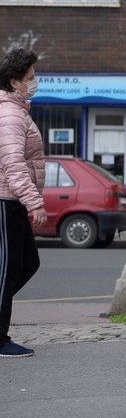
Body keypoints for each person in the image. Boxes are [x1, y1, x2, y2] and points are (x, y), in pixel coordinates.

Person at [0, 48, 46, 358]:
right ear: (15, 82)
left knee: (28, 264)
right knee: (7, 271)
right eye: (30, 78)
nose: (34, 82)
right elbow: (13, 164)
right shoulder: (10, 115)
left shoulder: (18, 111)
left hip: (14, 201)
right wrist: (34, 202)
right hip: (6, 200)